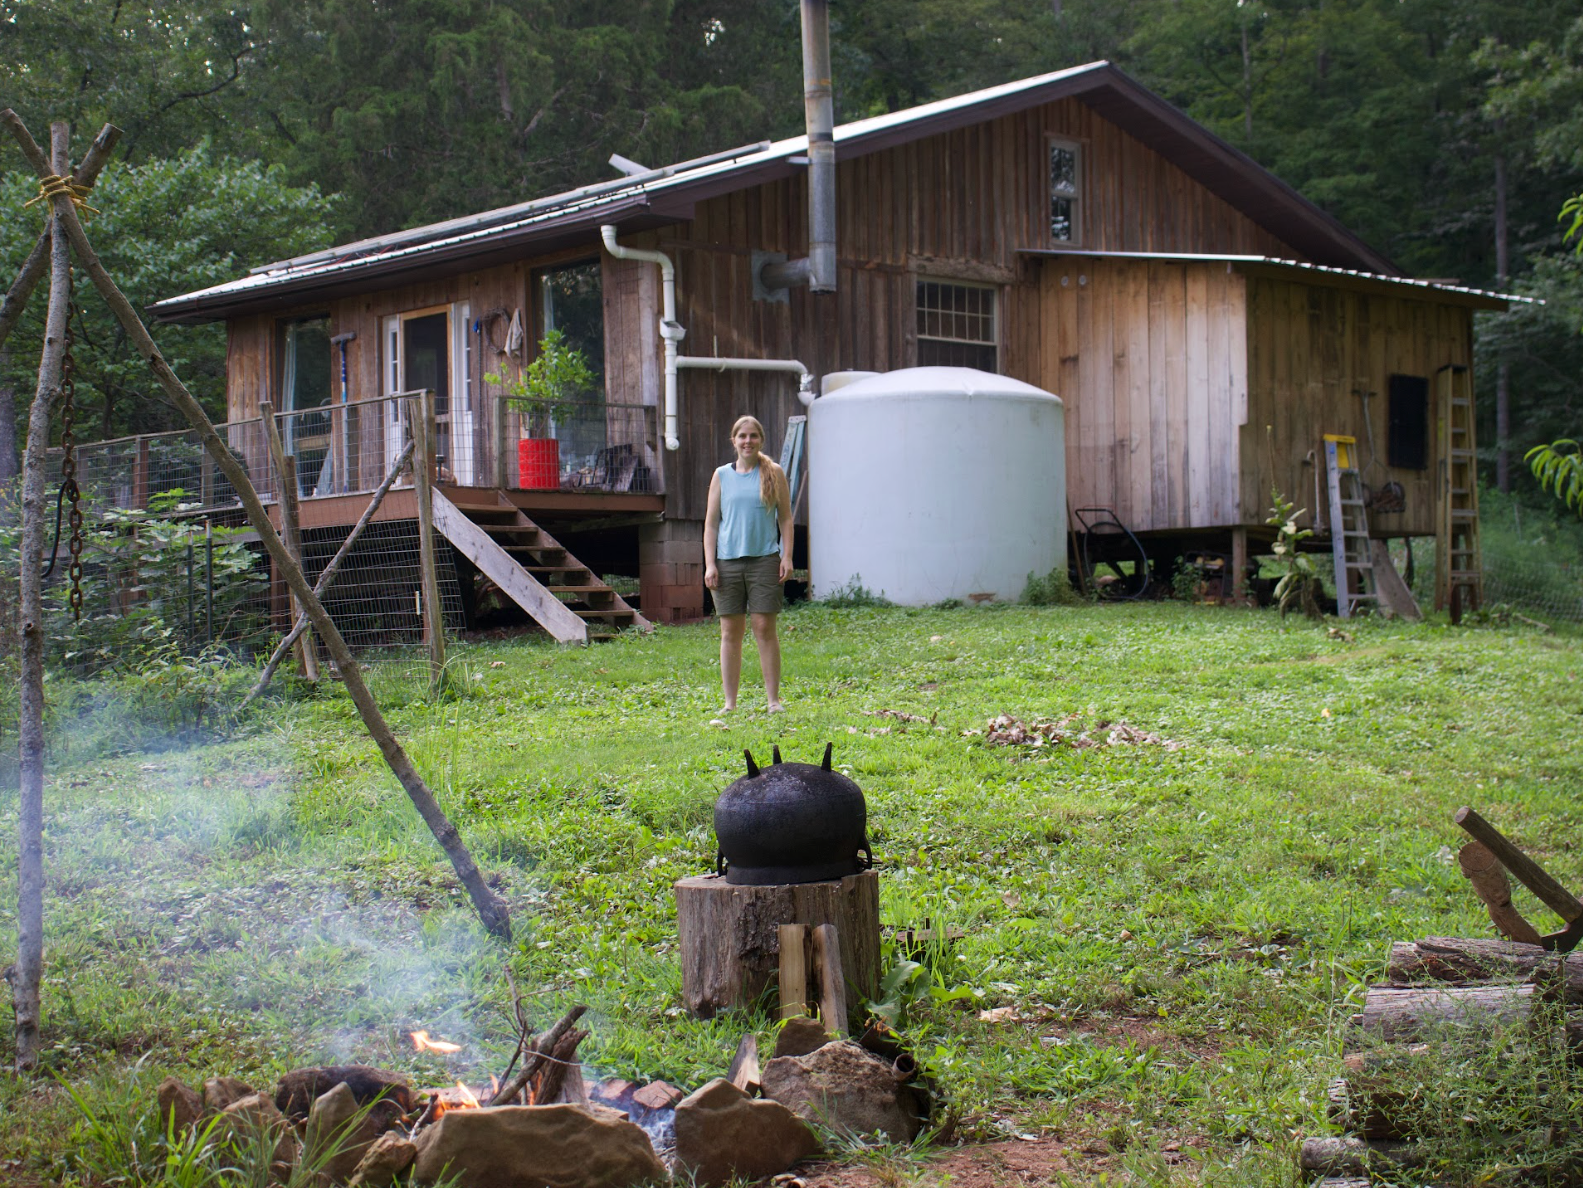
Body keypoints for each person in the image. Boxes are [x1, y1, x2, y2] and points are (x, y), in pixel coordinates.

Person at [704, 415, 794, 713]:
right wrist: (710, 564)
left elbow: (785, 518)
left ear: (761, 440)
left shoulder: (774, 473)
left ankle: (773, 701)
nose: (747, 441)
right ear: (734, 440)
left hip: (765, 561)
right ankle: (730, 704)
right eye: (742, 436)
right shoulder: (721, 476)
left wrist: (787, 555)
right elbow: (711, 525)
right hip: (727, 563)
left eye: (753, 436)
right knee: (730, 631)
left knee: (764, 627)